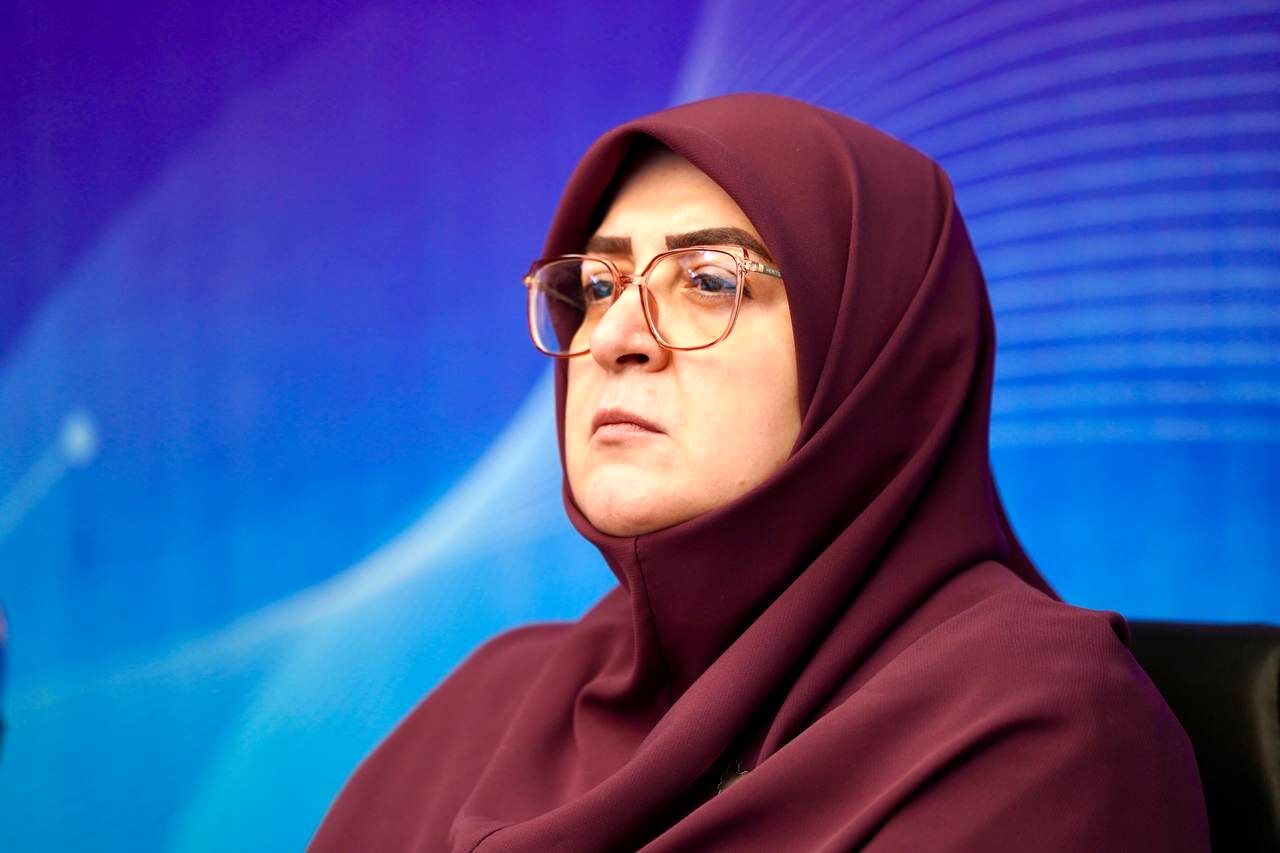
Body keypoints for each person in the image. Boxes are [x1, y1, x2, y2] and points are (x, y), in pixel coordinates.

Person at [310, 93, 1210, 851]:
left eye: (708, 279)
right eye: (597, 286)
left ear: (873, 351)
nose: (615, 336)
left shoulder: (1037, 726)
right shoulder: (494, 703)